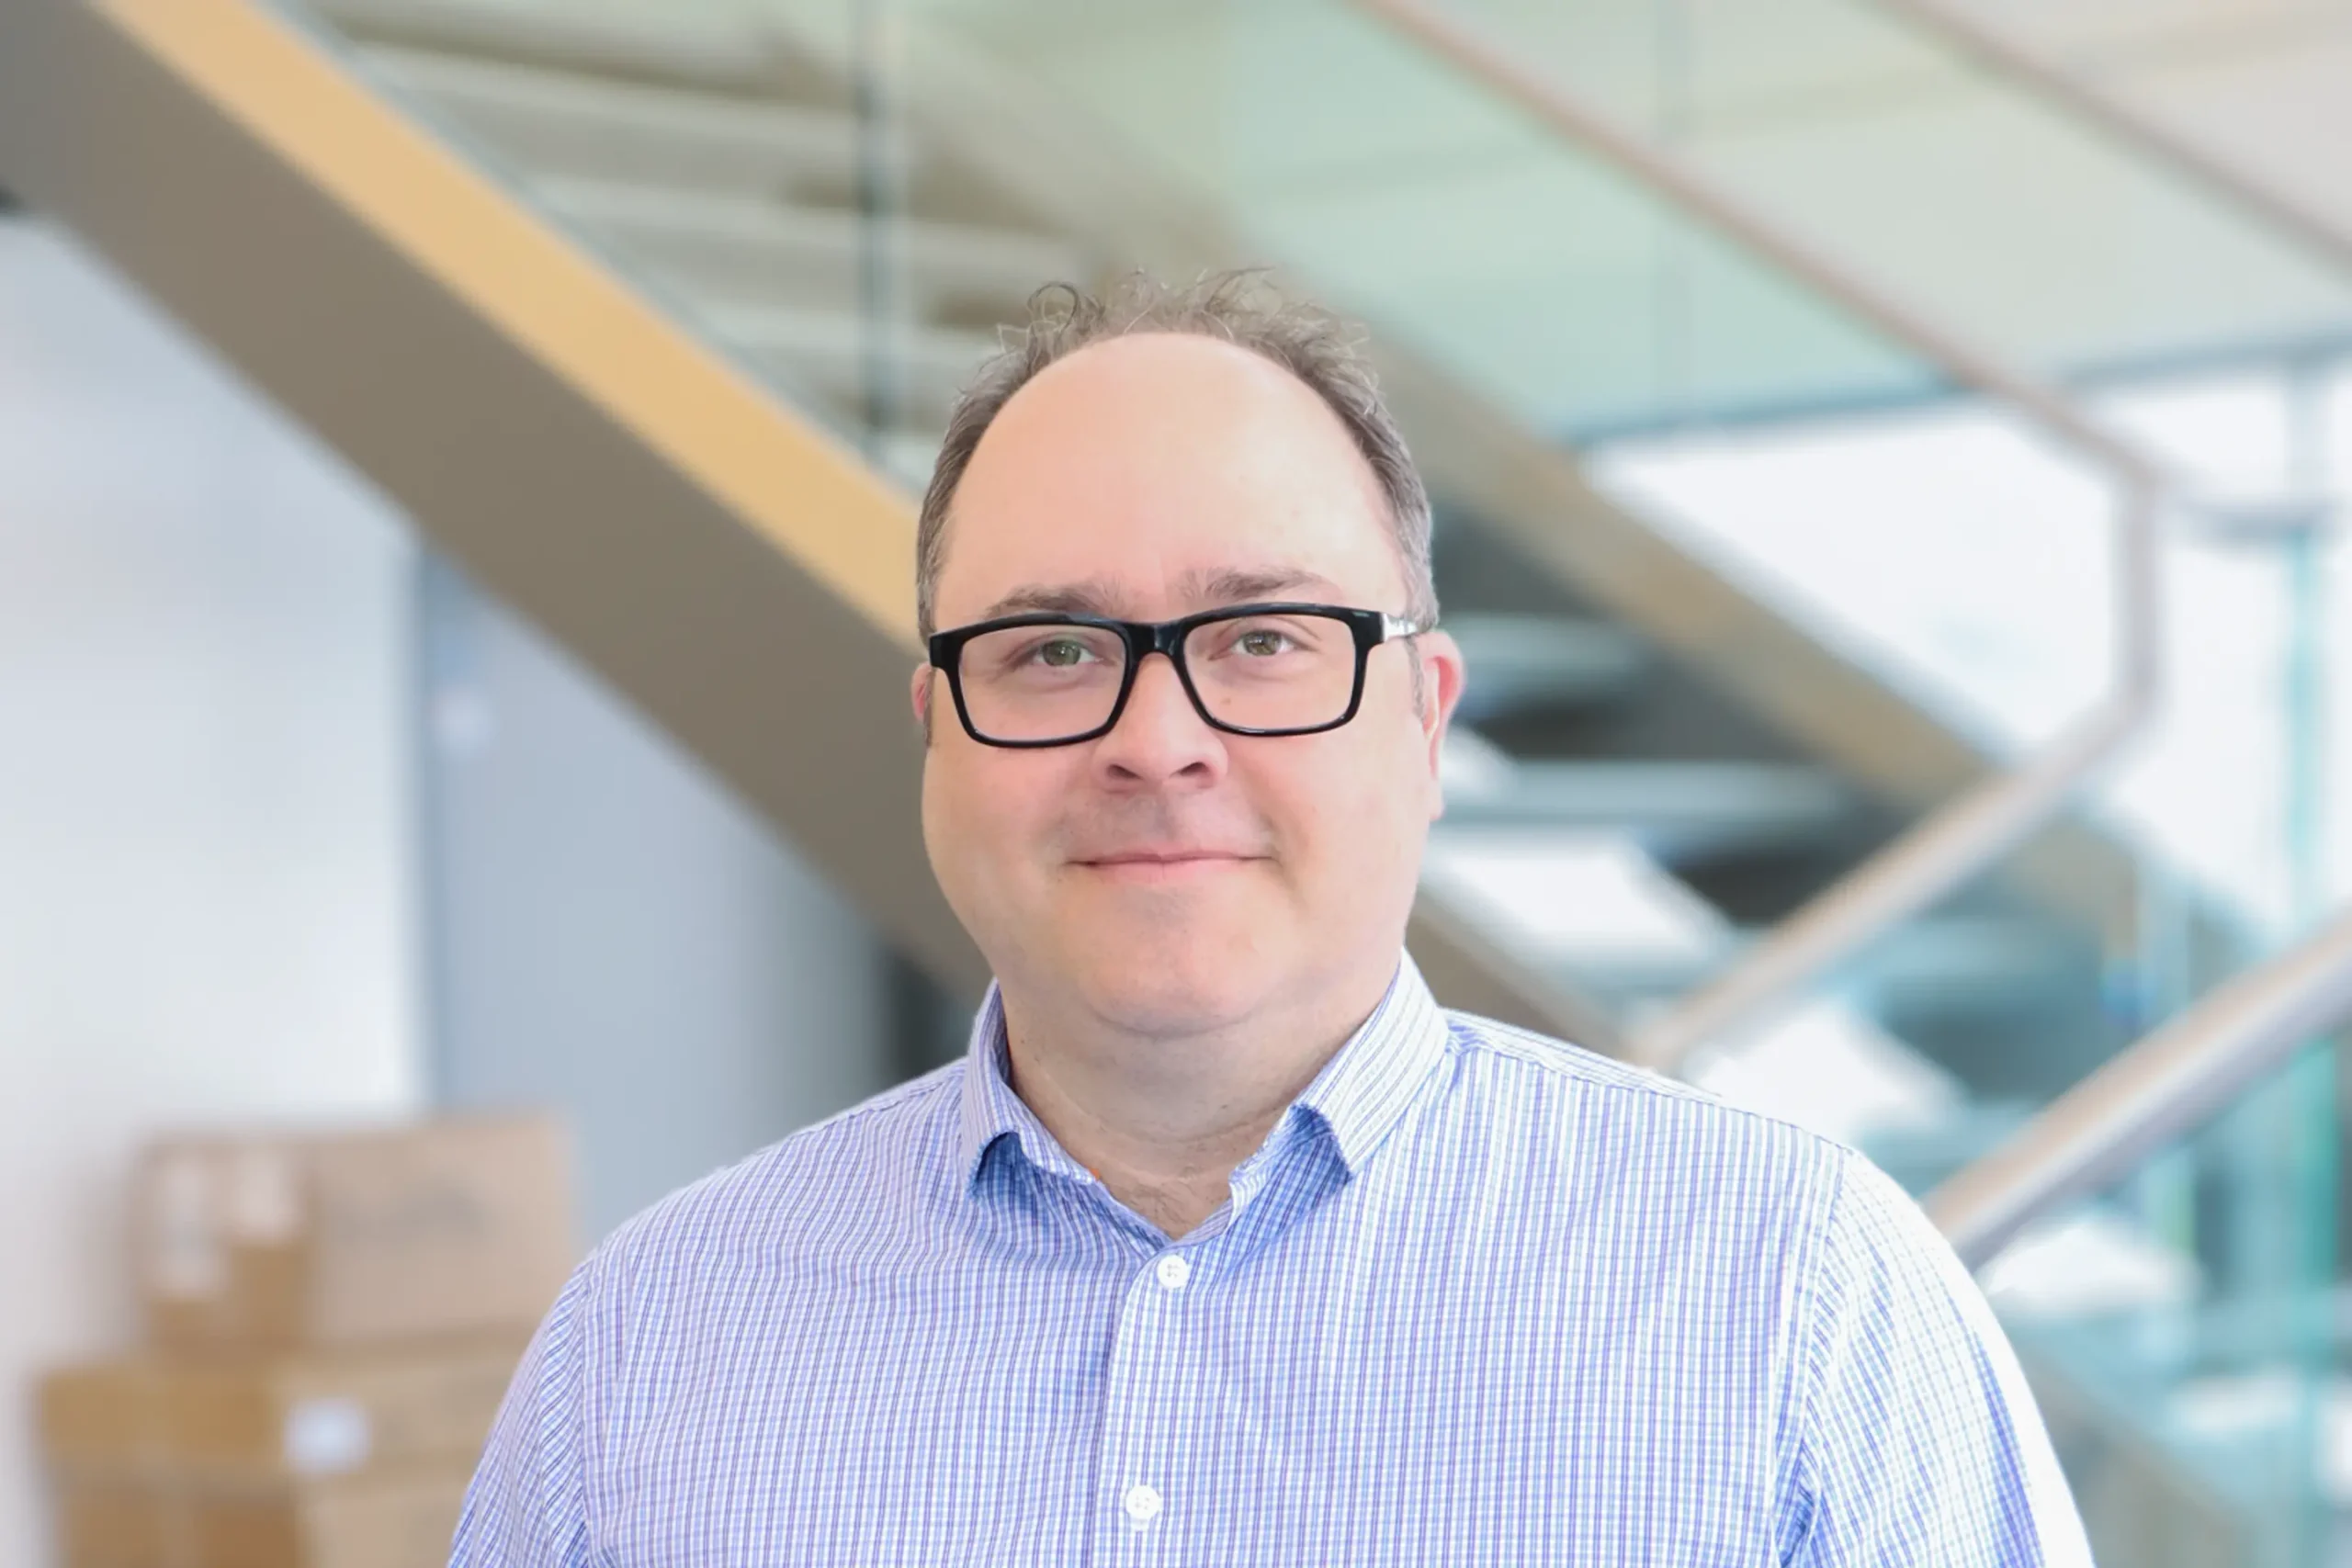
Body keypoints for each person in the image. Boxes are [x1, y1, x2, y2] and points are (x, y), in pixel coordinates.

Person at [451, 274, 2090, 1564]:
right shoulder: (645, 1350)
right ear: (937, 734)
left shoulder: (1801, 1297)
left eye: (1262, 641)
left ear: (1427, 720)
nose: (1156, 741)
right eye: (1050, 652)